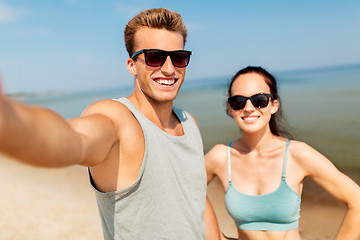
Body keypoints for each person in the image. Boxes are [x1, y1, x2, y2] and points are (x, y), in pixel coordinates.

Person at [0, 8, 221, 240]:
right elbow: (73, 140)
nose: (169, 68)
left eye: (178, 57)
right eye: (154, 57)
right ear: (131, 65)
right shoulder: (118, 118)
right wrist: (7, 119)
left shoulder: (189, 122)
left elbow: (197, 197)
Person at [205, 66, 360, 240]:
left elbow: (357, 200)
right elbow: (185, 191)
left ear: (274, 106)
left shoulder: (297, 154)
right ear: (230, 108)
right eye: (239, 101)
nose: (248, 108)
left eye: (259, 100)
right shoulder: (221, 156)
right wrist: (216, 236)